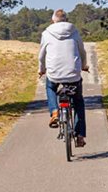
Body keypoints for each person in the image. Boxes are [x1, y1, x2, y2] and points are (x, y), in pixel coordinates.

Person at [38, 8, 89, 147]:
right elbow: (82, 51)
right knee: (78, 101)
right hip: (73, 73)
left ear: (53, 20)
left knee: (50, 86)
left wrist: (41, 70)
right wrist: (84, 66)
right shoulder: (74, 32)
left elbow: (41, 55)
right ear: (66, 20)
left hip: (54, 73)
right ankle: (80, 135)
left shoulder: (46, 33)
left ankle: (54, 112)